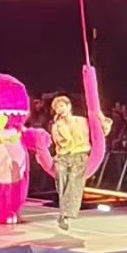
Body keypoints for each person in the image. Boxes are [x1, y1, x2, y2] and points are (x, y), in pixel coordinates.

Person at [49, 67, 111, 232]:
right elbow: (60, 143)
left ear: (68, 106)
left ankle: (65, 214)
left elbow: (101, 130)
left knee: (74, 183)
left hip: (79, 155)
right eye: (57, 108)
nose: (60, 109)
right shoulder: (56, 126)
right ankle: (63, 212)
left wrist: (101, 119)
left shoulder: (82, 121)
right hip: (63, 156)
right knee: (61, 181)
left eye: (62, 106)